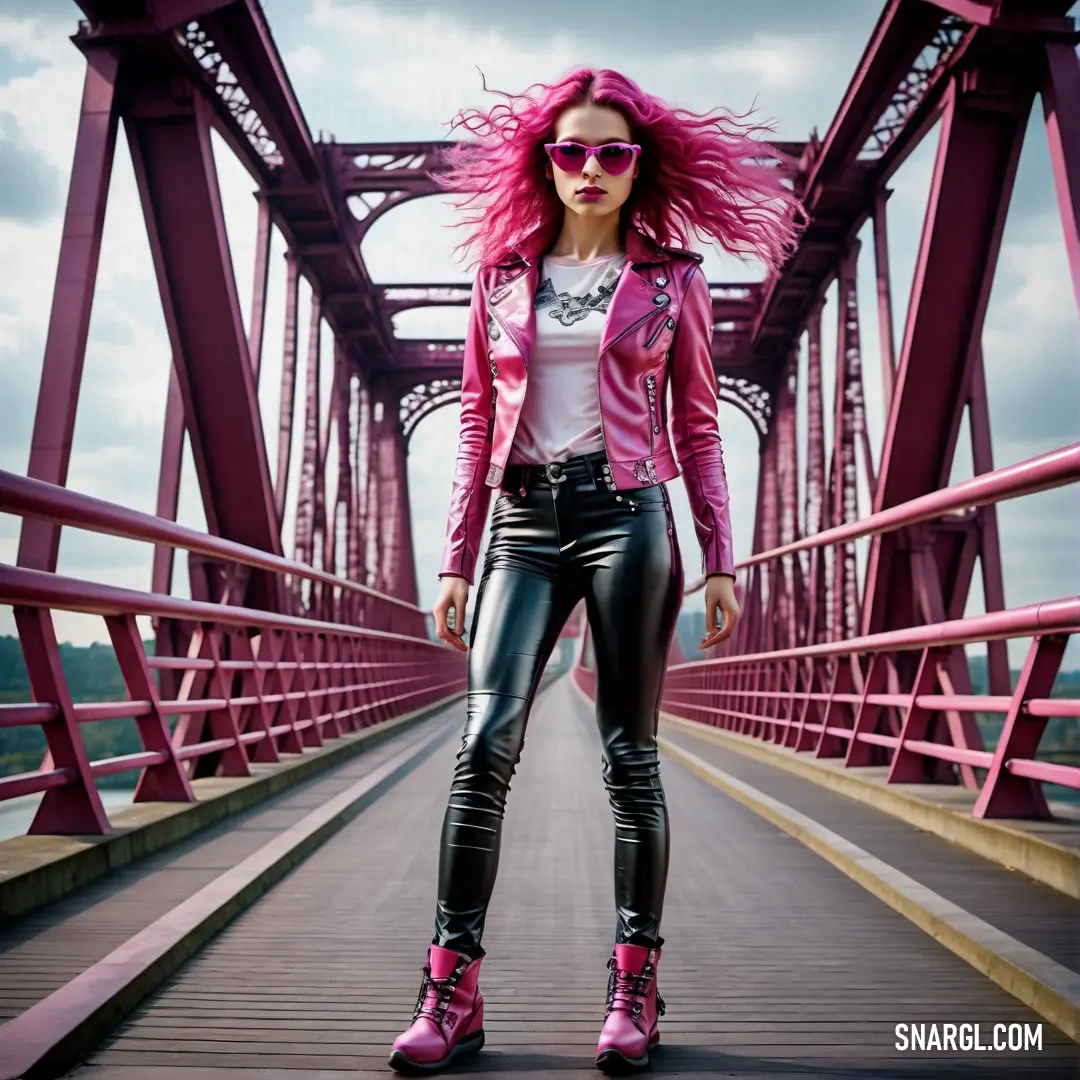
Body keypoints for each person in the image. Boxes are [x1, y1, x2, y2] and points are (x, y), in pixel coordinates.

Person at [389, 67, 803, 1075]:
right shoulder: (500, 273)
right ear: (545, 162)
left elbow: (700, 424)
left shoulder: (675, 279)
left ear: (637, 167)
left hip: (630, 520)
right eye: (570, 150)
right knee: (485, 739)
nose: (589, 168)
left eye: (611, 152)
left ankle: (634, 986)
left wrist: (719, 559)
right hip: (522, 523)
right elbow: (478, 422)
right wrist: (455, 560)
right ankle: (452, 986)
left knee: (630, 757)